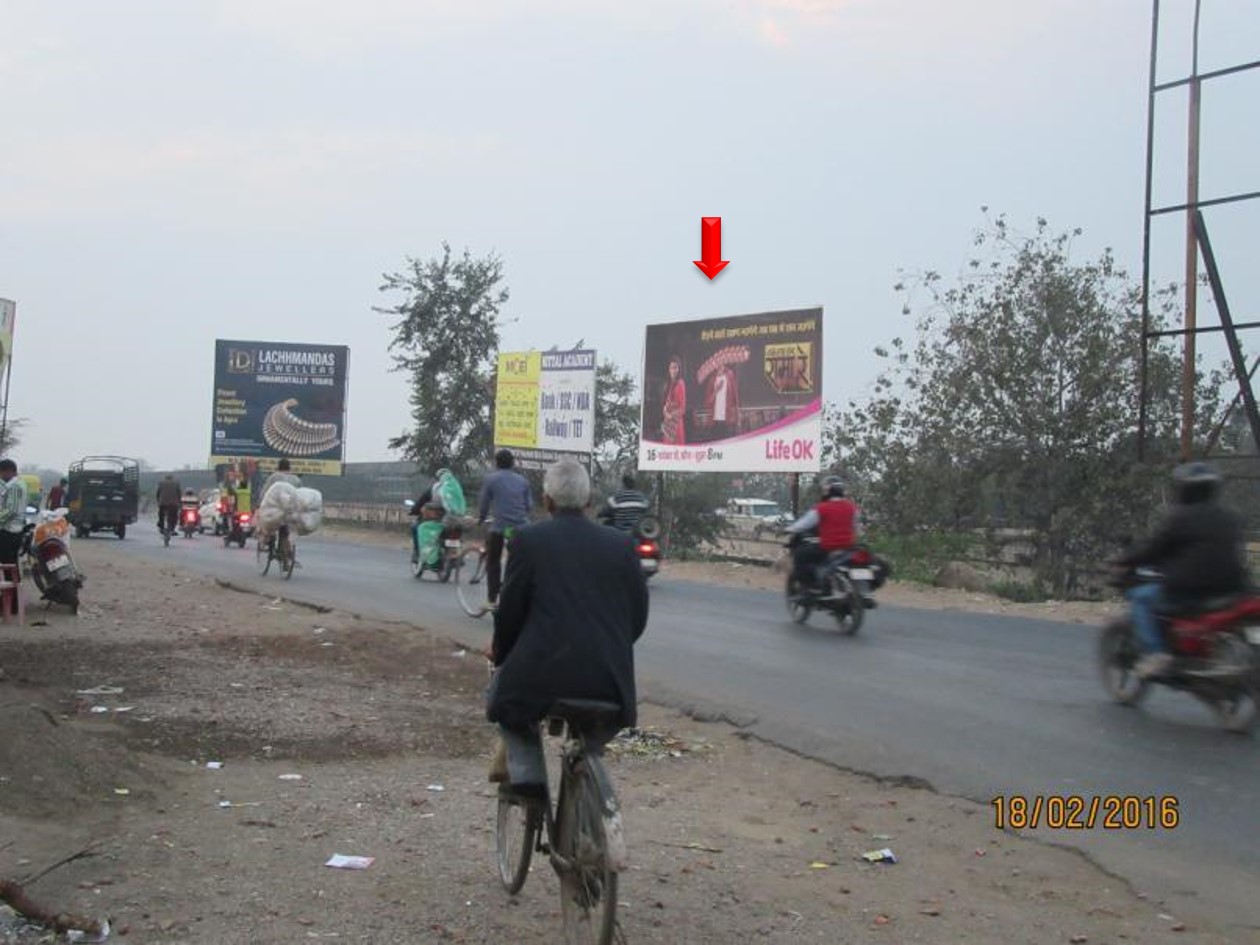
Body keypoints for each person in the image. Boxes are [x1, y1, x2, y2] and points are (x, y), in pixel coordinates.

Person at [485, 458, 649, 792]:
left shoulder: (528, 541)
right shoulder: (622, 546)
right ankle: (586, 768)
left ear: (546, 501)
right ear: (590, 502)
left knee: (503, 703)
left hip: (539, 681)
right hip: (611, 685)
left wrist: (500, 654)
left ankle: (529, 777)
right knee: (593, 736)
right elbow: (638, 617)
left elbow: (510, 614)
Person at [1113, 461, 1248, 678]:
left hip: (1188, 592)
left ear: (1185, 489)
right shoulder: (1231, 517)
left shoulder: (1180, 518)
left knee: (1140, 598)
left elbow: (1153, 549)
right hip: (1231, 590)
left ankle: (1157, 654)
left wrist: (1124, 560)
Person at [784, 475, 861, 596]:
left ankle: (809, 588)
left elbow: (803, 524)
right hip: (848, 547)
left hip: (828, 547)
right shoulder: (852, 508)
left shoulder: (822, 508)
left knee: (800, 555)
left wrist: (788, 529)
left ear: (827, 491)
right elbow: (855, 527)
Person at [476, 449, 533, 610]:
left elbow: (484, 504)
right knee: (515, 561)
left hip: (500, 528)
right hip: (521, 528)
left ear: (496, 463)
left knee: (493, 561)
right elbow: (529, 506)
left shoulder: (491, 480)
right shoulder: (523, 481)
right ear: (512, 463)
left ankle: (492, 599)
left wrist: (481, 519)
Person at [0, 460, 28, 579]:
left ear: (9, 471)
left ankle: (10, 594)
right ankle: (11, 593)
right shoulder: (20, 484)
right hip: (15, 529)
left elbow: (11, 511)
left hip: (10, 530)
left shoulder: (14, 486)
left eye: (1, 473)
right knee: (11, 563)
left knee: (8, 564)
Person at [704, 361, 740, 440]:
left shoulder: (730, 375)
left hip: (727, 420)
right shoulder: (711, 380)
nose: (719, 364)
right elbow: (707, 403)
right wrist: (716, 391)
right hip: (714, 421)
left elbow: (735, 397)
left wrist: (737, 416)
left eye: (721, 361)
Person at [660, 355, 686, 445]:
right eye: (672, 368)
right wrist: (664, 411)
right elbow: (665, 403)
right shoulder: (668, 384)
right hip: (667, 424)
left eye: (676, 368)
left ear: (679, 369)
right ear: (669, 369)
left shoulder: (680, 384)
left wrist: (670, 415)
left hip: (676, 424)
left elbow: (682, 408)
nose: (674, 370)